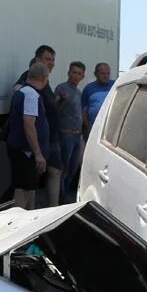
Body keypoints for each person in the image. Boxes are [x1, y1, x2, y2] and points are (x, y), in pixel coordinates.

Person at [14, 45, 62, 206]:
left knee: (39, 180)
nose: (51, 63)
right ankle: (23, 219)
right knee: (26, 185)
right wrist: (38, 152)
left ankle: (43, 215)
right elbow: (28, 123)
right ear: (37, 60)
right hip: (33, 145)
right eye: (48, 59)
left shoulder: (41, 85)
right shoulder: (30, 86)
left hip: (49, 139)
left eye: (53, 60)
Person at [6, 62, 50, 210]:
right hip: (25, 151)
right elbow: (29, 125)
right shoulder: (31, 95)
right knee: (23, 189)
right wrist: (38, 154)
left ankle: (28, 216)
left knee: (29, 187)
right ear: (44, 78)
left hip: (22, 150)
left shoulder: (23, 91)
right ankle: (17, 223)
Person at [54, 61, 85, 203]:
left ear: (83, 76)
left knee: (73, 169)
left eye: (79, 73)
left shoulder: (79, 92)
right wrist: (61, 101)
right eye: (74, 72)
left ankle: (64, 195)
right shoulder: (61, 88)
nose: (76, 76)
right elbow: (53, 110)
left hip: (77, 136)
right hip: (65, 134)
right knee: (63, 168)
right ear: (68, 73)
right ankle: (60, 199)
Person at [82, 62, 115, 131]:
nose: (105, 76)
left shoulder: (115, 85)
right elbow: (83, 110)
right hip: (94, 128)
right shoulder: (88, 88)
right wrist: (88, 126)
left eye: (108, 73)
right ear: (95, 74)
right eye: (102, 73)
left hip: (112, 127)